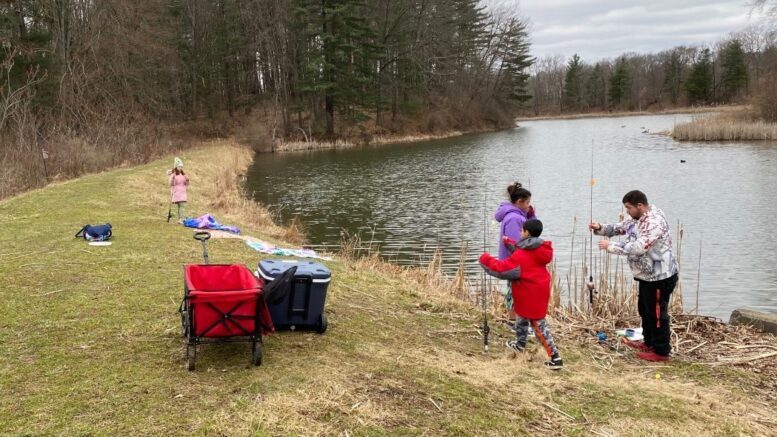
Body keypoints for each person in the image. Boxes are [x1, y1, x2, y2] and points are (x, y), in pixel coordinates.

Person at [589, 190, 679, 362]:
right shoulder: (637, 218)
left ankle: (661, 352)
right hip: (646, 275)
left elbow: (639, 247)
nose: (627, 212)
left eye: (628, 208)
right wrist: (600, 228)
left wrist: (611, 246)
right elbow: (620, 227)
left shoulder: (654, 222)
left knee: (658, 315)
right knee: (645, 310)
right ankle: (649, 342)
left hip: (661, 276)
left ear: (640, 206)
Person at [479, 219, 563, 370]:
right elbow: (522, 253)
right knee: (521, 320)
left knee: (539, 328)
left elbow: (502, 269)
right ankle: (520, 345)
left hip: (531, 295)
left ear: (527, 233)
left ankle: (555, 358)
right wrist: (509, 243)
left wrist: (485, 259)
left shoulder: (523, 255)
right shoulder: (537, 249)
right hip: (534, 292)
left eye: (521, 231)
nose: (519, 233)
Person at [494, 182, 536, 323]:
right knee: (516, 292)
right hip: (515, 263)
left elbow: (532, 231)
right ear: (519, 202)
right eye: (528, 202)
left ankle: (515, 320)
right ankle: (513, 321)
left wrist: (531, 215)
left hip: (515, 263)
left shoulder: (518, 215)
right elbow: (515, 244)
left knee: (516, 291)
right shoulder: (514, 218)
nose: (530, 205)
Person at [167, 157, 189, 223]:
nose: (181, 168)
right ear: (176, 167)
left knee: (182, 206)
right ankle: (180, 218)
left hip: (183, 192)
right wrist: (172, 179)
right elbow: (171, 184)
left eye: (181, 167)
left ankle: (181, 219)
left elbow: (186, 183)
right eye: (179, 167)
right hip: (176, 192)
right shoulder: (173, 175)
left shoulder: (183, 175)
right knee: (181, 206)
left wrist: (187, 180)